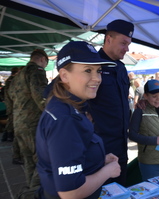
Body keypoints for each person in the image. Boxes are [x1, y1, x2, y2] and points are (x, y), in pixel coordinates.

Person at [36, 41, 121, 199]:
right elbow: (70, 192)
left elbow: (66, 157)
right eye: (88, 70)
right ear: (64, 76)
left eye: (99, 71)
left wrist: (99, 160)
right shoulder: (65, 119)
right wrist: (108, 171)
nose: (97, 79)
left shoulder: (66, 106)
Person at [88, 19, 134, 186]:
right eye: (123, 43)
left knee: (120, 189)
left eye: (128, 44)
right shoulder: (92, 63)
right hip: (100, 147)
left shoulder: (121, 68)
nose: (127, 48)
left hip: (121, 145)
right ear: (108, 39)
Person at [9, 49, 48, 190]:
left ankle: (31, 191)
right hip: (33, 124)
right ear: (43, 59)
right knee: (42, 160)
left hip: (18, 123)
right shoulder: (36, 71)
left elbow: (10, 97)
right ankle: (37, 192)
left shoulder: (18, 76)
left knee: (28, 161)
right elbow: (41, 97)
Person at [1, 67, 19, 142]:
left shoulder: (9, 80)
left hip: (9, 101)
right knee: (11, 118)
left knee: (11, 118)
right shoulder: (12, 80)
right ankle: (8, 135)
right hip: (11, 102)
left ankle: (6, 135)